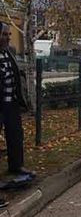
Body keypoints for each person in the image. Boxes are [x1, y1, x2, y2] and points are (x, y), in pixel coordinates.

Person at [0, 22, 34, 202]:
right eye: (4, 34)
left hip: (11, 105)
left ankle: (16, 166)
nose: (8, 37)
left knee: (15, 136)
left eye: (8, 34)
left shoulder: (9, 52)